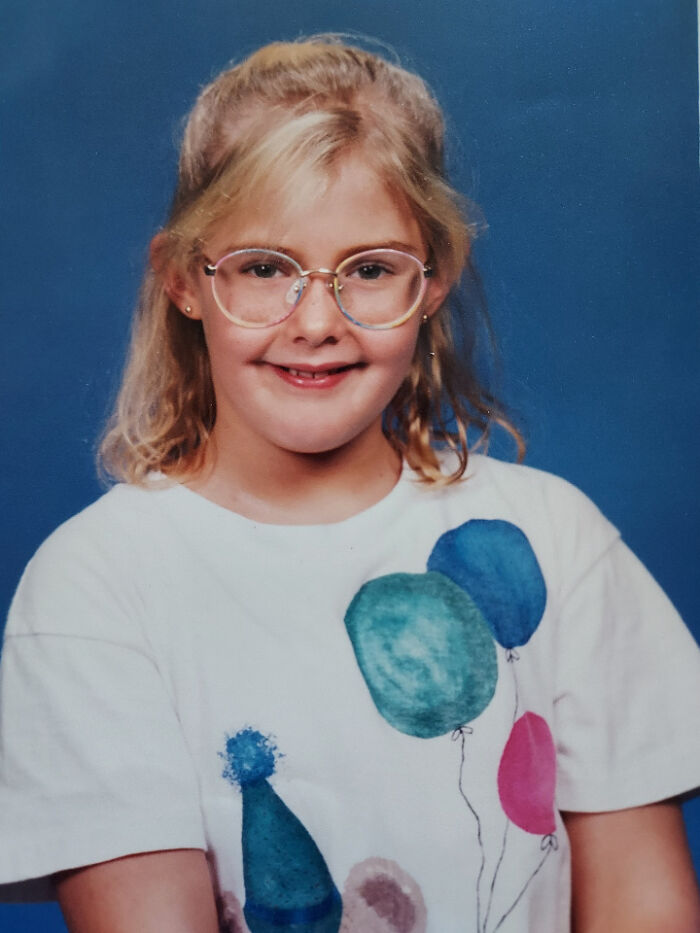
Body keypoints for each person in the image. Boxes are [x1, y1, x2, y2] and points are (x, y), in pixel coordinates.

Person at [0, 35, 698, 933]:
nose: (317, 322)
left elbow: (646, 904)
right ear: (183, 279)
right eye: (263, 269)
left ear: (433, 280)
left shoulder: (558, 541)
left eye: (369, 270)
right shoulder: (98, 585)